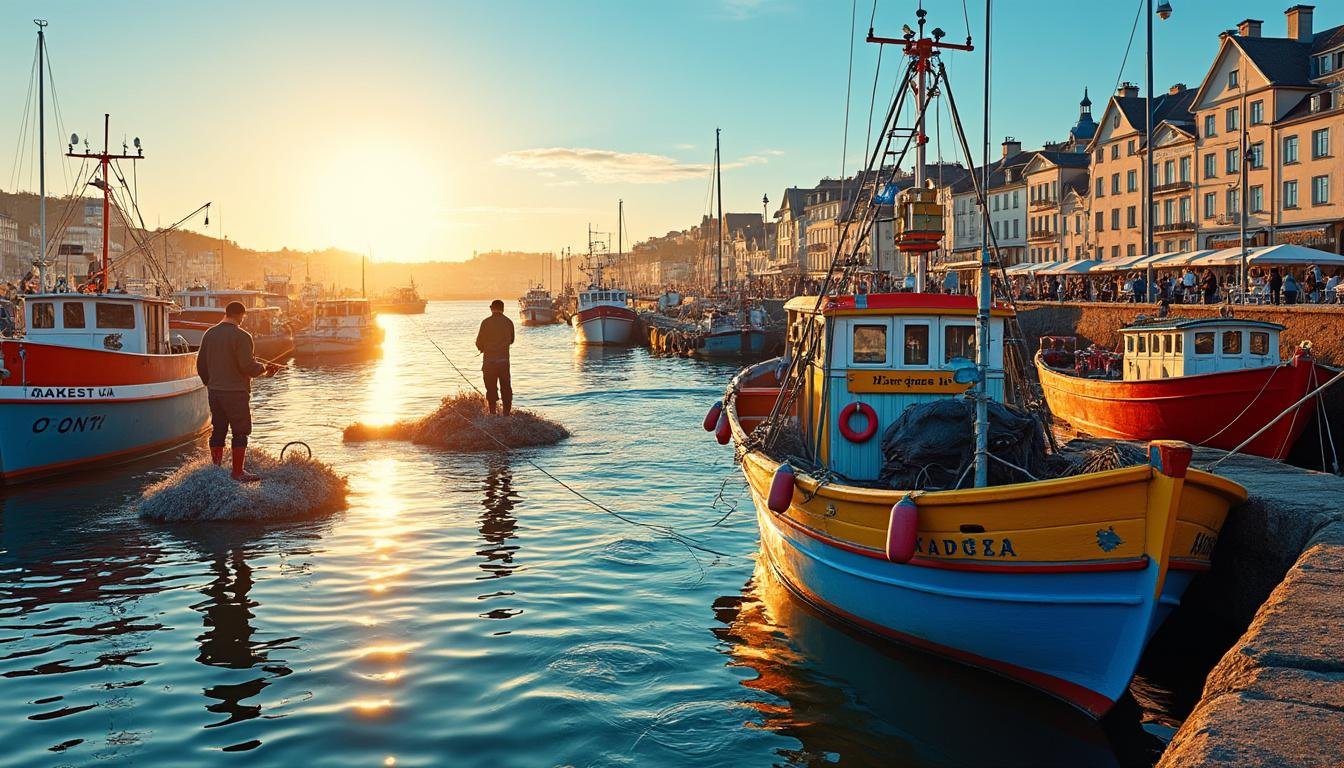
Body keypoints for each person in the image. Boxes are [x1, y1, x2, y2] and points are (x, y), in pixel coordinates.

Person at [197, 301, 279, 481]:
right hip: (235, 393)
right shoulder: (242, 336)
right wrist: (264, 368)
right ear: (241, 315)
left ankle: (216, 470)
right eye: (243, 317)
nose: (243, 320)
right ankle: (237, 472)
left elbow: (200, 364)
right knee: (240, 432)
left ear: (226, 313)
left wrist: (210, 383)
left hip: (215, 392)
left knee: (218, 430)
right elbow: (247, 366)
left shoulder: (209, 333)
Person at [475, 299, 515, 416]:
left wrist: (482, 348)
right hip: (504, 361)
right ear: (503, 309)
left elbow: (479, 342)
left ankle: (492, 413)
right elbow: (512, 340)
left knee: (491, 388)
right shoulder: (509, 322)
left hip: (489, 362)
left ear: (491, 308)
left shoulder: (485, 322)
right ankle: (506, 414)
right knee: (506, 388)